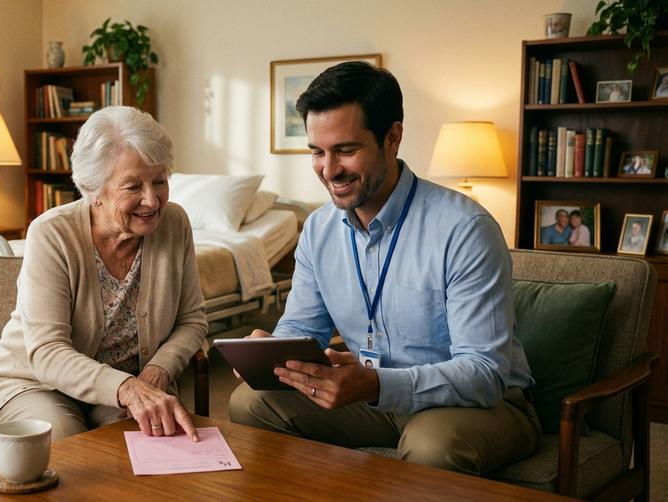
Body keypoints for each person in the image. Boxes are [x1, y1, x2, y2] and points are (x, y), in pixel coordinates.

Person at [228, 61, 540, 476]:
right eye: (317, 152)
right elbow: (302, 330)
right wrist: (270, 352)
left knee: (431, 445)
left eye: (345, 150)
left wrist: (376, 384)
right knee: (250, 403)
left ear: (392, 138)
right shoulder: (318, 229)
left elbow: (485, 373)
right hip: (372, 398)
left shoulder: (465, 228)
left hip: (478, 404)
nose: (329, 170)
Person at [0, 106, 208, 443]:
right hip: (33, 382)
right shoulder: (52, 233)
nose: (152, 200)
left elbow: (192, 320)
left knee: (147, 442)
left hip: (126, 386)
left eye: (160, 181)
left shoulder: (175, 223)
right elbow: (48, 352)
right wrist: (126, 388)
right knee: (65, 441)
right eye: (133, 186)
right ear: (91, 189)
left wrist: (159, 370)